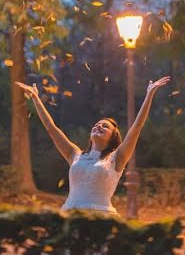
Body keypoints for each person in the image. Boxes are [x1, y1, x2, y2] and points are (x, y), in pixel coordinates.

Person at [16, 75, 171, 215]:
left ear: (113, 137)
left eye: (105, 126)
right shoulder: (74, 154)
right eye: (97, 125)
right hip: (71, 216)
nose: (99, 126)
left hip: (101, 218)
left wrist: (149, 94)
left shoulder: (117, 158)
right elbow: (51, 128)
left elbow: (136, 127)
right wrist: (36, 98)